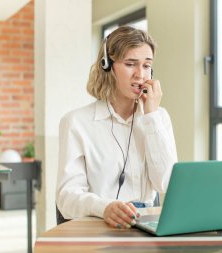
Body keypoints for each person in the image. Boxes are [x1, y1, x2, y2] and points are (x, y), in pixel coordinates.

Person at [56, 26, 178, 229]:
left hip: (147, 228)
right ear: (107, 66)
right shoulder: (76, 122)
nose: (140, 74)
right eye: (131, 64)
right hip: (99, 227)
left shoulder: (158, 117)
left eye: (147, 65)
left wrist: (151, 117)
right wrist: (104, 207)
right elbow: (67, 198)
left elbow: (165, 184)